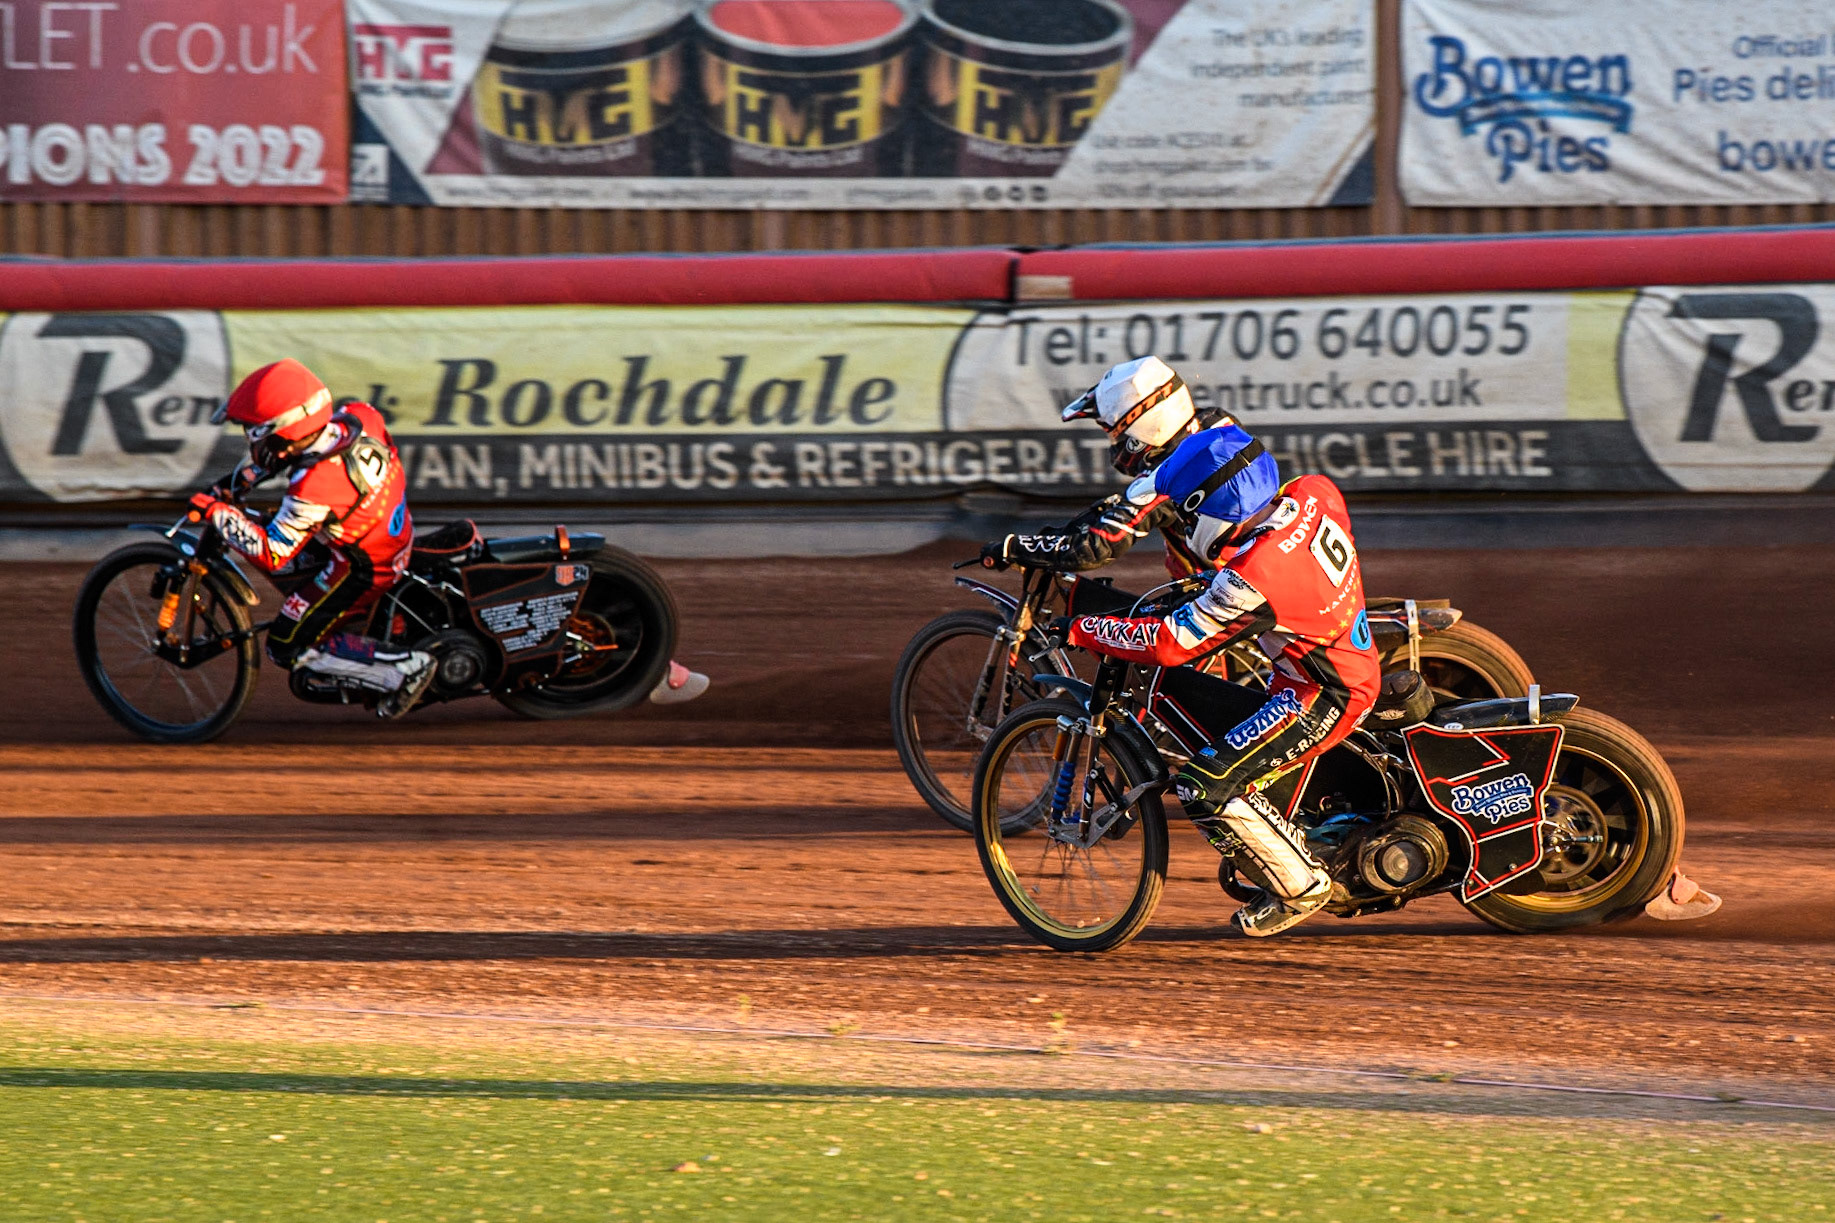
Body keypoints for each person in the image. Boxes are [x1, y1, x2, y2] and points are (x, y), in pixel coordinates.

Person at [1058, 423, 1382, 937]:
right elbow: (1267, 565)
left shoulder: (1255, 576)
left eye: (1187, 511)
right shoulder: (1314, 491)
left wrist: (1084, 628)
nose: (1185, 526)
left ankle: (1301, 888)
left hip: (1323, 695)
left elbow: (1171, 645)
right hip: (1336, 657)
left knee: (1201, 786)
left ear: (1210, 507)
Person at [187, 359, 437, 718]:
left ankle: (403, 668)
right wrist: (234, 485)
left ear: (281, 431)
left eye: (253, 431)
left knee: (284, 644)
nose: (249, 438)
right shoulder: (359, 416)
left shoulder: (312, 487)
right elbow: (286, 454)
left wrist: (218, 514)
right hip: (385, 529)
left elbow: (272, 552)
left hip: (363, 568)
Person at [978, 356, 1222, 580]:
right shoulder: (1215, 424)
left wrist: (1014, 547)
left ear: (1141, 428)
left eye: (1114, 432)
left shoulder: (1167, 478)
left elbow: (1097, 547)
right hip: (1247, 576)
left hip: (1220, 598)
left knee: (1088, 627)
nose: (1115, 444)